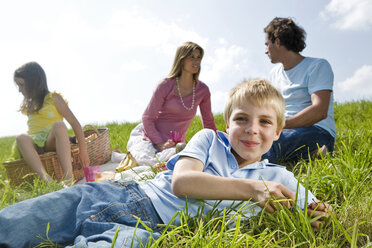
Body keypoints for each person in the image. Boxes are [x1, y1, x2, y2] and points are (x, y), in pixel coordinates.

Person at [0, 79, 332, 247]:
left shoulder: (278, 176)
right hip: (120, 197)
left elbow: (313, 209)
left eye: (264, 123)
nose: (251, 129)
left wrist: (317, 214)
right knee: (18, 222)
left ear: (278, 133)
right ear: (226, 124)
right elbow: (183, 182)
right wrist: (254, 189)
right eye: (242, 119)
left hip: (147, 230)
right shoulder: (209, 141)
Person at [125, 41, 217, 167]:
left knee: (179, 161)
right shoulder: (165, 85)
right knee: (149, 163)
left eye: (198, 57)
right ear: (181, 59)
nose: (196, 61)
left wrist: (216, 145)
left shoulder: (202, 90)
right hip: (150, 138)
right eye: (191, 57)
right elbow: (148, 118)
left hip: (175, 145)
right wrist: (160, 143)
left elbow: (208, 122)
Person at [262, 17, 336, 163]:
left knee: (268, 143)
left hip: (317, 130)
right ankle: (313, 154)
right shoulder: (274, 74)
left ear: (277, 41)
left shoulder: (317, 66)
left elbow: (319, 111)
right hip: (285, 131)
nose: (265, 51)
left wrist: (280, 125)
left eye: (267, 44)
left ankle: (258, 180)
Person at [12, 61, 90, 183]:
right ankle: (46, 179)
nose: (19, 90)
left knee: (59, 125)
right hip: (36, 144)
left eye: (21, 85)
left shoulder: (54, 99)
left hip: (51, 141)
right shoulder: (29, 105)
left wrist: (83, 150)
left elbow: (75, 123)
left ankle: (68, 178)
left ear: (33, 83)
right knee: (21, 137)